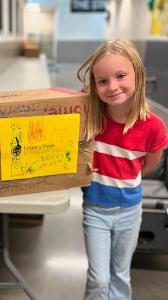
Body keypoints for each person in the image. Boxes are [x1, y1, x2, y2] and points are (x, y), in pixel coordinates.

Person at [77, 39, 168, 300]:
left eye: (121, 76)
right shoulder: (90, 117)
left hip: (130, 210)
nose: (112, 86)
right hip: (95, 210)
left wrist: (126, 172)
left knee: (120, 272)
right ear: (94, 85)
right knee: (98, 278)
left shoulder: (153, 126)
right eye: (102, 81)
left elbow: (151, 163)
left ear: (138, 75)